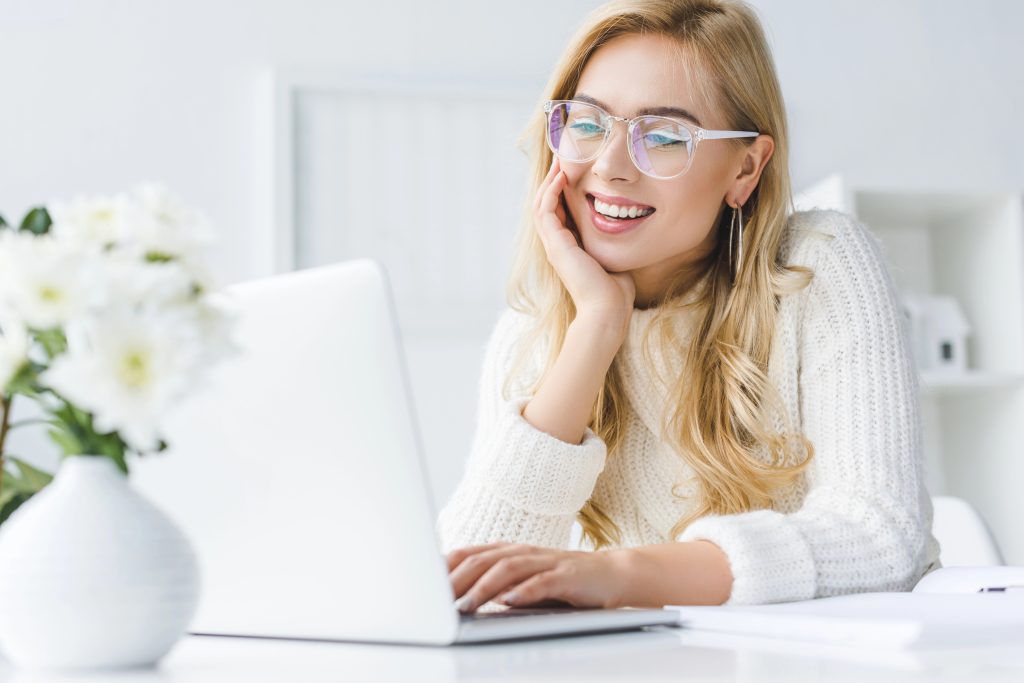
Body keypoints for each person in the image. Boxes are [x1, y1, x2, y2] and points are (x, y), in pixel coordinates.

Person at [437, 0, 940, 613]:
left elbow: (880, 536)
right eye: (588, 123)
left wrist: (622, 575)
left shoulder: (819, 266)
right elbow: (471, 585)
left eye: (666, 136)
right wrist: (596, 328)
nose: (610, 166)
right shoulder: (532, 335)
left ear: (745, 169)